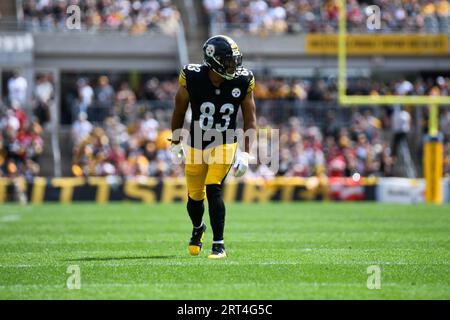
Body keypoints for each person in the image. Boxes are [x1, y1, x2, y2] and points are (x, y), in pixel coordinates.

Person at [170, 35, 257, 259]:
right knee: (194, 197)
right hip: (197, 141)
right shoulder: (192, 77)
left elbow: (250, 119)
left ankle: (219, 244)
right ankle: (198, 228)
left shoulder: (242, 80)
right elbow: (179, 110)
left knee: (213, 187)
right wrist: (176, 142)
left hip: (226, 141)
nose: (234, 66)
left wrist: (246, 154)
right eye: (228, 61)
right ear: (214, 61)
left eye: (235, 60)